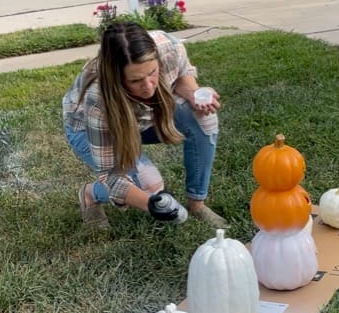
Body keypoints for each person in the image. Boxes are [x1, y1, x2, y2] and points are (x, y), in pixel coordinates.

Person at [63, 21, 227, 229]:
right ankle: (90, 194)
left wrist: (193, 94)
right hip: (91, 129)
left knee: (204, 118)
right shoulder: (98, 99)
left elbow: (181, 75)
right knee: (149, 186)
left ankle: (197, 204)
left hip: (144, 117)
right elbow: (110, 174)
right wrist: (151, 204)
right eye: (136, 80)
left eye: (152, 73)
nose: (149, 86)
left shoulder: (169, 47)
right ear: (117, 78)